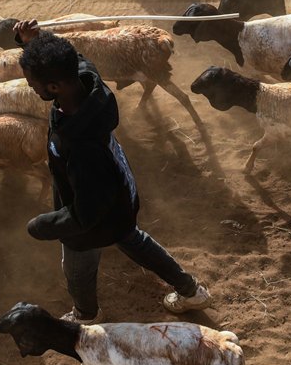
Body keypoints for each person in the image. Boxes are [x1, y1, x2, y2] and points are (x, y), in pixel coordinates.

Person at [13, 19, 211, 323]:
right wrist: (36, 42)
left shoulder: (79, 146)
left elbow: (86, 213)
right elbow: (72, 58)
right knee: (132, 239)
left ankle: (86, 316)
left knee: (77, 268)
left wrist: (43, 224)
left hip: (90, 219)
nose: (30, 86)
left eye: (33, 83)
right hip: (118, 196)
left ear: (54, 87)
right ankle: (190, 290)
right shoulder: (87, 80)